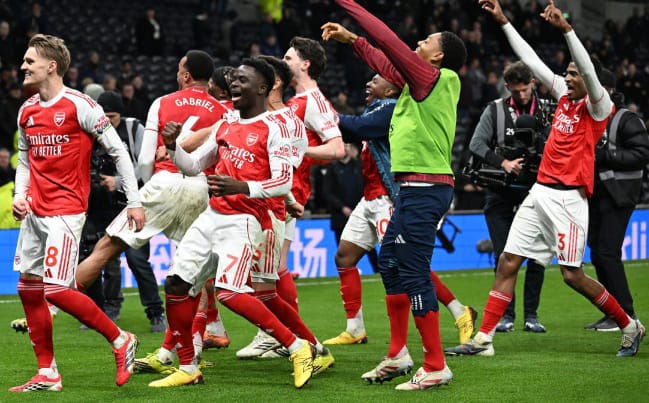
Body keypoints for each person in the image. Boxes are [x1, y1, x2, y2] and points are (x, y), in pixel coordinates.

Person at [444, 0, 644, 359]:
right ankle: (484, 338)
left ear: (590, 81)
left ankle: (629, 325)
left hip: (569, 200)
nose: (567, 77)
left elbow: (587, 68)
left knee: (572, 275)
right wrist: (503, 21)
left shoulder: (598, 107)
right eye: (566, 73)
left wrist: (567, 31)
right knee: (508, 261)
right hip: (539, 193)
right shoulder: (565, 98)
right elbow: (532, 60)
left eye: (573, 73)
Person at [322, 0, 467, 390]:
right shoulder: (422, 85)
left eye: (426, 41)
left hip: (426, 187)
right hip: (413, 189)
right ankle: (398, 353)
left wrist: (347, 6)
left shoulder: (432, 78)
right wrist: (352, 40)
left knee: (414, 271)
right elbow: (384, 61)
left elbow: (388, 41)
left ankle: (435, 365)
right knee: (389, 263)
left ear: (437, 56)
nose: (418, 43)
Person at [155, 57, 315, 389]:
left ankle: (297, 347)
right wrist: (172, 147)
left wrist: (242, 187)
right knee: (176, 285)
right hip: (212, 215)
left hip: (244, 220)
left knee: (229, 293)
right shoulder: (226, 123)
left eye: (243, 80)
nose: (235, 84)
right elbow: (193, 165)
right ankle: (188, 366)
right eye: (234, 79)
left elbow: (283, 182)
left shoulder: (275, 128)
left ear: (262, 88)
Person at [72, 50, 227, 374]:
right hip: (200, 189)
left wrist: (141, 189)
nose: (177, 73)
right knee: (190, 275)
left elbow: (145, 159)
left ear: (186, 75)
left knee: (106, 247)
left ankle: (54, 304)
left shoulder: (162, 102)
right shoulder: (223, 111)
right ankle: (192, 347)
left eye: (179, 68)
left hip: (164, 182)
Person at [10, 34, 142, 392]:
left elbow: (119, 152)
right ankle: (48, 373)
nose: (23, 66)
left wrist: (134, 201)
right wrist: (20, 196)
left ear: (51, 66)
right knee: (29, 289)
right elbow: (25, 161)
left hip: (66, 212)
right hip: (34, 213)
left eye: (30, 61)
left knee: (55, 290)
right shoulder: (26, 110)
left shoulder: (81, 106)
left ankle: (121, 339)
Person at [321, 73, 477, 348]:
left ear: (390, 90)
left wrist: (317, 107)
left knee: (406, 264)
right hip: (369, 198)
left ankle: (459, 311)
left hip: (389, 199)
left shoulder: (391, 109)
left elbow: (355, 127)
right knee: (344, 257)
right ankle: (355, 328)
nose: (368, 83)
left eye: (375, 80)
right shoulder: (374, 111)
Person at [468, 61, 547, 333]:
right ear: (507, 87)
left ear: (533, 84)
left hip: (536, 192)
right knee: (503, 255)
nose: (522, 95)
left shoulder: (547, 110)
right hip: (500, 192)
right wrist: (504, 163)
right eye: (516, 91)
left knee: (536, 256)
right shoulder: (495, 109)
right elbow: (476, 144)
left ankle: (531, 316)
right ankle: (506, 316)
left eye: (525, 90)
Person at [96, 90, 167, 332]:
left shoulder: (134, 128)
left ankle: (156, 312)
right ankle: (109, 308)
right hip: (104, 203)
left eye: (112, 117)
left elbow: (146, 163)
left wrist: (117, 181)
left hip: (135, 202)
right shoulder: (94, 130)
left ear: (121, 114)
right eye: (104, 117)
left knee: (137, 260)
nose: (108, 122)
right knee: (105, 260)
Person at [584, 69, 649, 331]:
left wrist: (606, 156)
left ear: (607, 90)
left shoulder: (626, 118)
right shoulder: (591, 116)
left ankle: (626, 313)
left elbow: (642, 154)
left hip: (619, 195)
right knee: (598, 253)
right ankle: (613, 312)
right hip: (595, 194)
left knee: (607, 252)